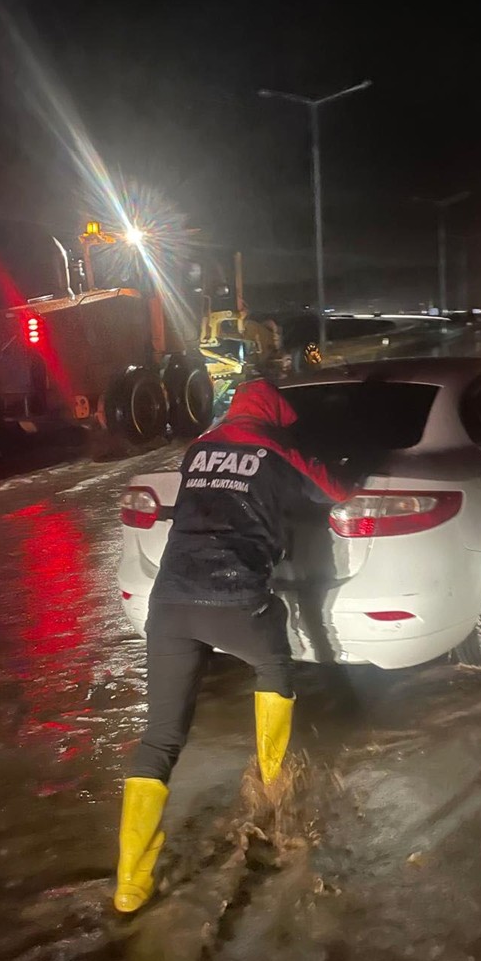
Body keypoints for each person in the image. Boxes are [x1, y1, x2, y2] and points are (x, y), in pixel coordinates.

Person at [114, 378, 351, 913]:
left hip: (169, 607)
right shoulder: (278, 449)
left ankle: (131, 883)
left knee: (159, 739)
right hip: (235, 601)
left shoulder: (200, 447)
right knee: (274, 666)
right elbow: (335, 489)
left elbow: (213, 494)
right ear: (274, 417)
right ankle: (272, 783)